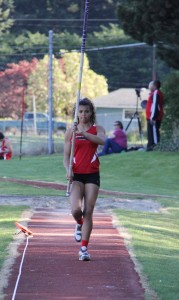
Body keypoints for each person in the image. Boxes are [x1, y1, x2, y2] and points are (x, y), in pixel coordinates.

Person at [63, 98, 106, 261]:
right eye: (80, 111)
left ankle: (83, 249)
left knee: (89, 210)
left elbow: (102, 141)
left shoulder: (97, 129)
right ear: (76, 113)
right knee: (76, 210)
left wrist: (84, 134)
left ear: (91, 113)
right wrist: (68, 170)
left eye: (86, 111)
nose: (83, 114)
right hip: (76, 175)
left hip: (92, 174)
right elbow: (66, 157)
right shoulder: (70, 131)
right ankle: (79, 223)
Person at [146, 80, 164, 151]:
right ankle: (150, 147)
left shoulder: (156, 93)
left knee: (154, 132)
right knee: (151, 133)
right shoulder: (154, 93)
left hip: (154, 117)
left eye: (151, 85)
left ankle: (156, 147)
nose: (149, 86)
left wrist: (153, 117)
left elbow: (155, 105)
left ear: (154, 85)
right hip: (151, 117)